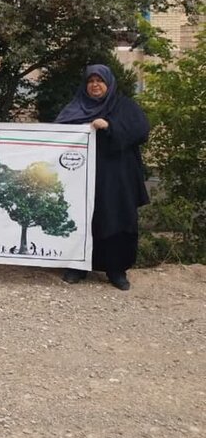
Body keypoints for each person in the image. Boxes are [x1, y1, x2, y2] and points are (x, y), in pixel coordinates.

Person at [56, 64, 149, 291]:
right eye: (90, 81)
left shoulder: (124, 106)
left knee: (116, 219)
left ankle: (116, 270)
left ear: (109, 83)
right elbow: (57, 134)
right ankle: (78, 266)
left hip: (118, 179)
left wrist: (110, 126)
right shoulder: (75, 108)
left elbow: (141, 130)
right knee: (81, 218)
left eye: (100, 81)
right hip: (81, 176)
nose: (95, 85)